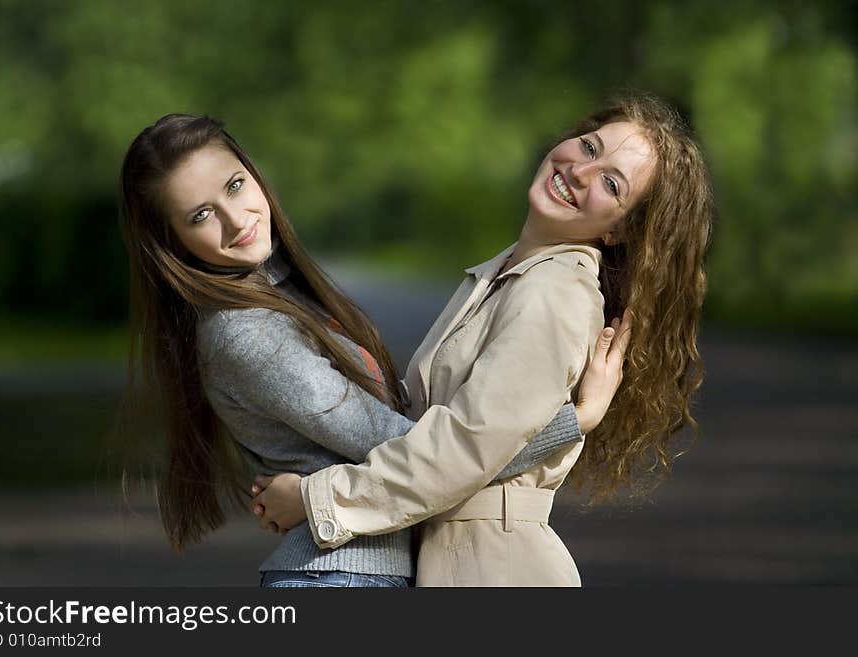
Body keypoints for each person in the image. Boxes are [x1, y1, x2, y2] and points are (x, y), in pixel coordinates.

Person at [118, 114, 629, 588]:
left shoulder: (283, 295)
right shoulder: (246, 331)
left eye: (234, 186)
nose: (236, 220)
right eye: (202, 214)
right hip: (337, 576)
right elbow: (422, 450)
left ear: (252, 174)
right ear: (173, 242)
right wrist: (574, 420)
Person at [252, 92, 713, 586]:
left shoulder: (556, 292)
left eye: (610, 183)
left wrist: (317, 498)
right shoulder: (509, 273)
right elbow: (448, 431)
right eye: (589, 147)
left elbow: (461, 451)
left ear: (620, 230)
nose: (580, 171)